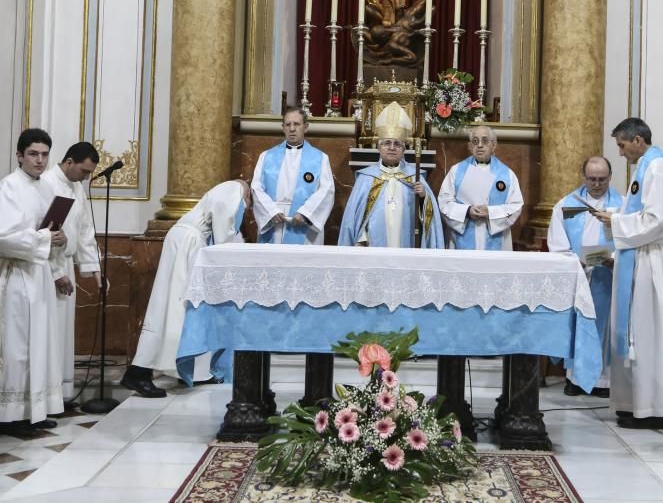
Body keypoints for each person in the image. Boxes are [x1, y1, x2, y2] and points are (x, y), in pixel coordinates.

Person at [593, 118, 663, 429]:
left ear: (637, 140)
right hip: (637, 253)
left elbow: (660, 219)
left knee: (647, 331)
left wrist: (617, 223)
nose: (620, 153)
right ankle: (633, 402)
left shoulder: (658, 167)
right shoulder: (645, 167)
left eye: (621, 145)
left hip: (650, 260)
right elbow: (639, 214)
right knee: (635, 329)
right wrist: (616, 217)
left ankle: (653, 407)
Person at [121, 179, 251, 397]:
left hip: (183, 240)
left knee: (172, 306)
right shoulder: (236, 189)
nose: (247, 205)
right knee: (182, 306)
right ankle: (140, 372)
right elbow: (225, 229)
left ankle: (181, 369)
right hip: (188, 243)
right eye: (248, 201)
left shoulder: (222, 190)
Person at [0, 128, 66, 436]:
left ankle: (34, 409)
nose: (40, 160)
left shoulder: (45, 188)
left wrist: (58, 237)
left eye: (44, 154)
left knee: (40, 343)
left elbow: (49, 228)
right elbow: (0, 238)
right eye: (33, 154)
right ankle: (10, 415)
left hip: (39, 274)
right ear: (19, 155)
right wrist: (45, 237)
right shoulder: (8, 187)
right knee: (16, 346)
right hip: (16, 276)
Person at [547, 156, 621, 398]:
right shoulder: (567, 205)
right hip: (577, 276)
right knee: (577, 326)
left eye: (602, 179)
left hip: (608, 276)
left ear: (610, 177)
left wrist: (613, 260)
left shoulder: (621, 207)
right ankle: (575, 379)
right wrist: (574, 260)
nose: (597, 184)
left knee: (604, 329)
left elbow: (630, 240)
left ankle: (603, 381)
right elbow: (557, 243)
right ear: (584, 177)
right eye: (592, 179)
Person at [39, 142, 101, 408]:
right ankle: (47, 395)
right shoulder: (46, 183)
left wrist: (94, 267)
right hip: (46, 266)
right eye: (84, 171)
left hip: (66, 266)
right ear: (69, 162)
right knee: (49, 333)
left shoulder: (76, 187)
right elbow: (44, 230)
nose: (86, 177)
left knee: (64, 334)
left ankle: (61, 394)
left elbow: (84, 229)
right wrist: (54, 272)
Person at [339, 102, 444, 248]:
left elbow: (429, 220)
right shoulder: (366, 178)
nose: (392, 148)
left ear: (403, 149)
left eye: (397, 144)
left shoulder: (415, 176)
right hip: (373, 247)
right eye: (387, 143)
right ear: (379, 148)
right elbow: (355, 217)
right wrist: (362, 239)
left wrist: (423, 197)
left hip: (408, 246)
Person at [251, 107, 335, 246]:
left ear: (305, 127)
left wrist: (306, 213)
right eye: (288, 124)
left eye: (296, 124)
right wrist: (271, 211)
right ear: (283, 128)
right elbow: (256, 187)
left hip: (303, 222)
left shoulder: (320, 158)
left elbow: (327, 191)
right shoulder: (266, 156)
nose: (292, 129)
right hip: (274, 220)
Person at [438, 125, 523, 251]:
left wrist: (490, 212)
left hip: (496, 239)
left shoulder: (507, 175)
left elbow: (515, 206)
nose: (480, 145)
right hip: (462, 236)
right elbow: (444, 202)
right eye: (475, 141)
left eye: (485, 141)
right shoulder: (456, 172)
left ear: (494, 145)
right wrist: (467, 211)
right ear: (470, 146)